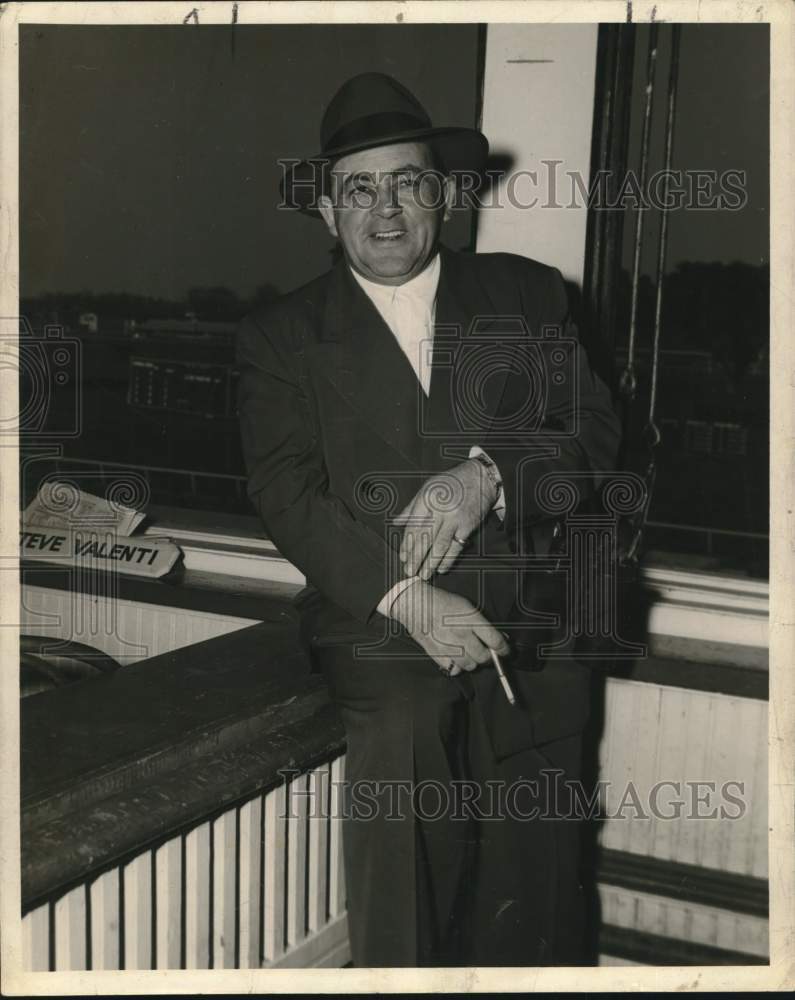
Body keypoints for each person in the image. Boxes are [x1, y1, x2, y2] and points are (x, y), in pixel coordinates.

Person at [237, 72, 621, 967]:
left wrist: (488, 474)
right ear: (327, 214)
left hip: (531, 617)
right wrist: (407, 596)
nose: (385, 209)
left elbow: (594, 431)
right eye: (358, 189)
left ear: (443, 195)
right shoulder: (279, 336)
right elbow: (285, 491)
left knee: (537, 905)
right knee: (405, 846)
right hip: (379, 628)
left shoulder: (527, 296)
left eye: (407, 182)